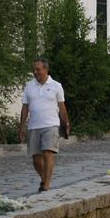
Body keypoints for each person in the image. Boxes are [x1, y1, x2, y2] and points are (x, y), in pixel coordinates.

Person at [19, 58, 71, 193]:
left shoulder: (56, 86)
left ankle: (46, 185)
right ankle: (44, 178)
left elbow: (62, 107)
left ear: (46, 69)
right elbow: (25, 107)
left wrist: (66, 123)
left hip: (51, 124)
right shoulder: (29, 86)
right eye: (34, 69)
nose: (35, 72)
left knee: (48, 153)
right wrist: (22, 126)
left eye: (38, 69)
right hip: (34, 126)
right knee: (36, 159)